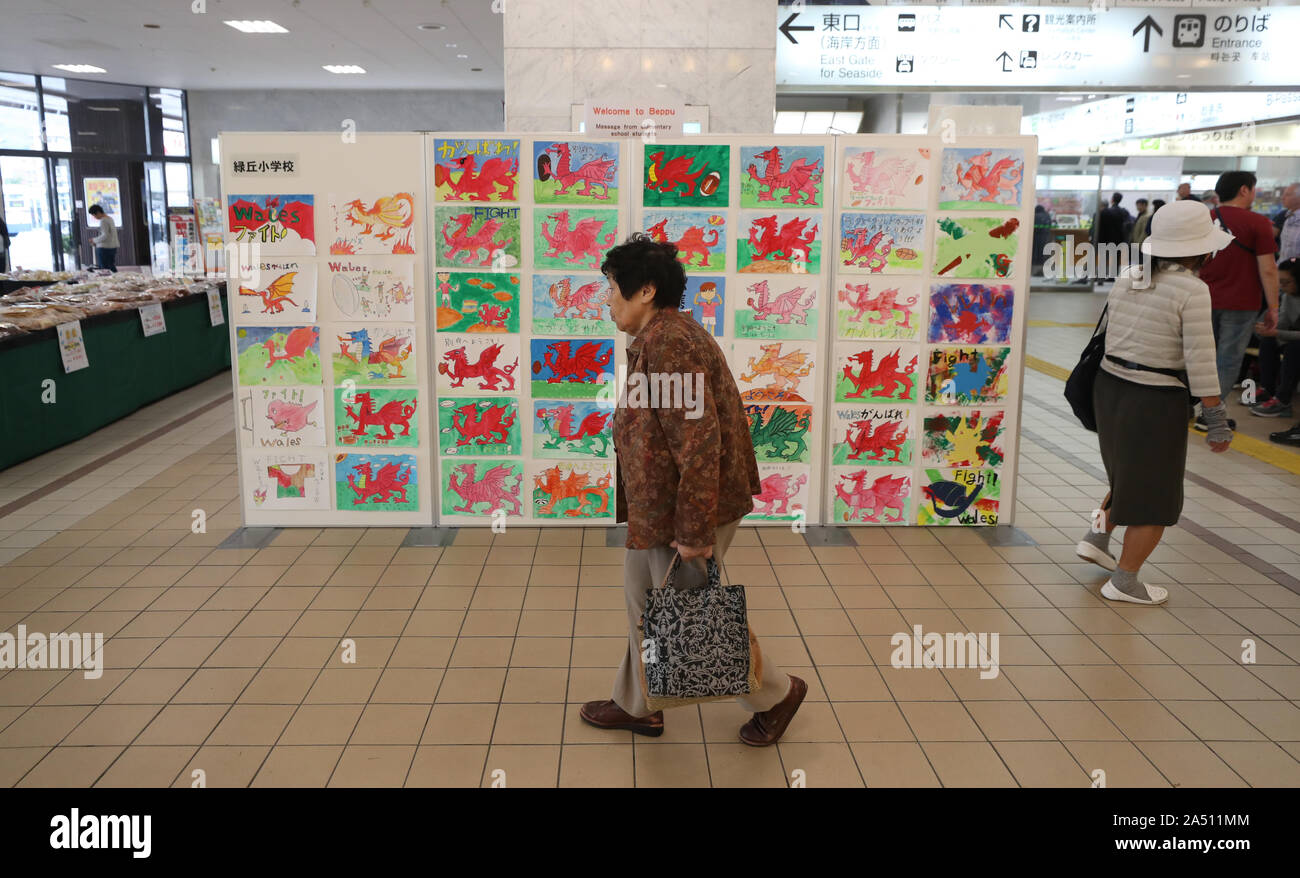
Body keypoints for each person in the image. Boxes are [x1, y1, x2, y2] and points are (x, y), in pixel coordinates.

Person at [580, 235, 806, 745]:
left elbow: (700, 446)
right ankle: (639, 705)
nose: (607, 299)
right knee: (644, 600)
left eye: (613, 288)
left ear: (646, 291)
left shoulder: (670, 344)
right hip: (661, 510)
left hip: (686, 513)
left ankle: (776, 693)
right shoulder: (659, 338)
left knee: (693, 611)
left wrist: (693, 533)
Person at [1077, 200, 1233, 605]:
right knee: (1155, 497)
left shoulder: (1130, 275)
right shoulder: (1193, 290)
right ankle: (1125, 582)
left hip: (1109, 387)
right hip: (1153, 398)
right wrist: (1215, 417)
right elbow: (1200, 358)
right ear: (1202, 249)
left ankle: (1098, 535)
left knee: (1126, 476)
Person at [1197, 171, 1280, 426]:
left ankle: (1186, 407)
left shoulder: (1203, 220)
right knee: (1228, 358)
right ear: (1244, 190)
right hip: (1241, 303)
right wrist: (1274, 308)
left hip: (1201, 299)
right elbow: (1268, 269)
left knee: (1199, 355)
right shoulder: (1258, 223)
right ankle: (1210, 416)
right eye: (1253, 189)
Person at [1249, 257, 1300, 418]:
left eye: (1286, 282)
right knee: (1269, 341)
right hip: (1294, 338)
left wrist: (1276, 332)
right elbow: (1283, 324)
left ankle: (1283, 401)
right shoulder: (1287, 296)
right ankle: (1267, 390)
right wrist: (1268, 326)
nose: (1282, 287)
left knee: (1294, 348)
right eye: (1280, 282)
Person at [88, 204, 118, 272]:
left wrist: (94, 240)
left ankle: (108, 281)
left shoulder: (103, 221)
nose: (94, 217)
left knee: (104, 269)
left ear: (98, 212)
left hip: (104, 248)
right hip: (112, 247)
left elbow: (105, 235)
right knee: (111, 266)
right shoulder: (110, 218)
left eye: (94, 215)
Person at [1275, 183, 1300, 262]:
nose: (1283, 198)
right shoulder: (1288, 217)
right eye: (1283, 194)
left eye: (1288, 195)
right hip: (1282, 270)